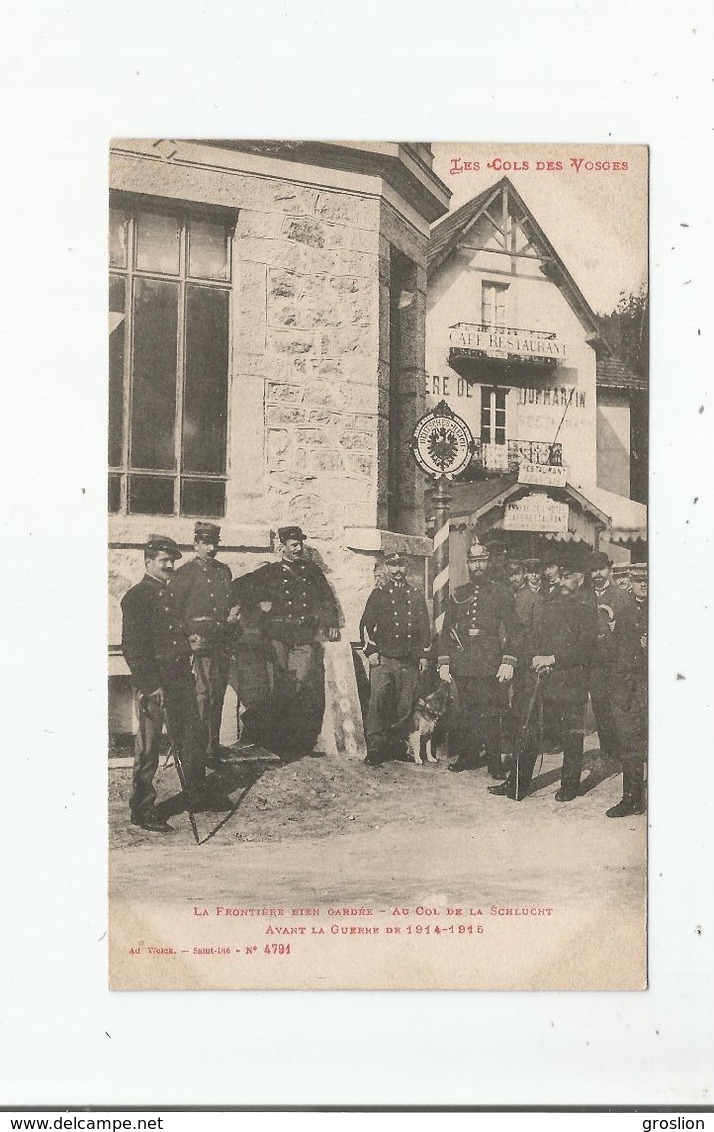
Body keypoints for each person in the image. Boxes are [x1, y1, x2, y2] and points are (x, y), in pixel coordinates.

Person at [489, 544, 598, 802]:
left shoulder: (586, 605)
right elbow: (535, 635)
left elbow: (587, 648)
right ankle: (516, 784)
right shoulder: (551, 601)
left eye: (565, 575)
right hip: (543, 678)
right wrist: (534, 658)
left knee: (571, 735)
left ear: (579, 578)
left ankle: (569, 787)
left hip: (571, 682)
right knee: (528, 731)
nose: (559, 580)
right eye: (559, 575)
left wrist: (553, 659)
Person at [120, 534, 208, 832]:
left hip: (179, 680)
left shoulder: (172, 593)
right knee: (149, 748)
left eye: (172, 560)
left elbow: (172, 637)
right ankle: (142, 810)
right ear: (148, 562)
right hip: (154, 685)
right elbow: (134, 647)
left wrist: (189, 642)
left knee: (190, 737)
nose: (169, 565)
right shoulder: (137, 597)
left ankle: (196, 795)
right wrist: (150, 685)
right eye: (163, 560)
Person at [251, 526, 340, 756]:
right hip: (277, 635)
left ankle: (297, 741)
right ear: (283, 547)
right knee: (280, 685)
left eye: (301, 544)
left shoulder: (311, 571)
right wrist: (259, 605)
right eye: (294, 544)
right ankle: (279, 743)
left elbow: (327, 597)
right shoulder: (269, 572)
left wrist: (330, 623)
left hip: (303, 636)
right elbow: (241, 588)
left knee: (298, 683)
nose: (299, 548)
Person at [437, 539, 520, 778]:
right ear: (468, 564)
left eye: (482, 560)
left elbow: (514, 629)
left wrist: (508, 660)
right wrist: (444, 661)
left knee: (492, 713)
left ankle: (495, 763)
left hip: (490, 661)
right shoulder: (458, 594)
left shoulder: (502, 593)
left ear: (489, 562)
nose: (478, 566)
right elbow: (447, 630)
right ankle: (468, 756)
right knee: (466, 712)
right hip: (464, 661)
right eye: (473, 561)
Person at [167, 521, 238, 769]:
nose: (211, 548)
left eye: (214, 543)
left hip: (221, 642)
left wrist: (232, 617)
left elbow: (231, 603)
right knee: (202, 696)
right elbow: (173, 612)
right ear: (195, 544)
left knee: (217, 696)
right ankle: (196, 751)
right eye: (206, 543)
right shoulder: (185, 573)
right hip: (198, 643)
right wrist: (187, 637)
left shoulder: (223, 571)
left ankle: (211, 748)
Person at [359, 552, 432, 766]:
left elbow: (424, 629)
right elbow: (365, 625)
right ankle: (375, 746)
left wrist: (424, 654)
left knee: (404, 705)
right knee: (378, 700)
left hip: (409, 659)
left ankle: (398, 745)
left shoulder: (415, 595)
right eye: (393, 565)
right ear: (386, 568)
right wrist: (370, 651)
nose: (397, 570)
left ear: (406, 568)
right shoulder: (379, 594)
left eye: (401, 566)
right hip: (384, 657)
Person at [588, 550, 637, 764]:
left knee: (617, 707)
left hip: (615, 662)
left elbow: (629, 633)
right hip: (594, 663)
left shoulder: (621, 596)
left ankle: (622, 752)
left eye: (601, 569)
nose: (597, 574)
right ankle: (607, 749)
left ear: (608, 570)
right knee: (599, 705)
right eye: (593, 570)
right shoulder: (585, 596)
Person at [606, 563, 648, 817]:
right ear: (631, 582)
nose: (644, 584)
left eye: (648, 580)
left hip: (651, 684)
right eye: (639, 580)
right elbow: (615, 648)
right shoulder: (623, 609)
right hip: (626, 686)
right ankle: (631, 799)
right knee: (630, 743)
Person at [226, 565, 274, 751]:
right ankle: (251, 737)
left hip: (260, 647)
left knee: (261, 692)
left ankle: (255, 737)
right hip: (247, 647)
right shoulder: (244, 590)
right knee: (253, 692)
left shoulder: (260, 595)